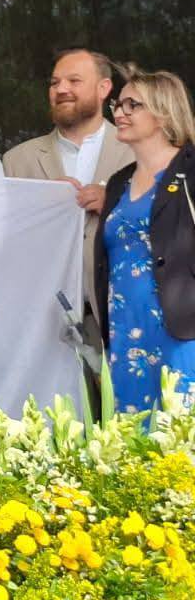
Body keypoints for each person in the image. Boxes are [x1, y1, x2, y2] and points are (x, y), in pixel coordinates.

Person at [5, 48, 134, 358]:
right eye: (54, 83)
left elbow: (170, 230)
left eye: (74, 81)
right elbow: (4, 245)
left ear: (104, 88)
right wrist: (40, 206)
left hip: (126, 320)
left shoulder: (138, 150)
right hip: (44, 328)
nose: (61, 89)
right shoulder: (16, 161)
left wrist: (115, 204)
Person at [95, 68, 195, 411]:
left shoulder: (191, 171)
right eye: (118, 105)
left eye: (132, 105)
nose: (119, 113)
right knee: (133, 433)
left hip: (181, 328)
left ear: (163, 112)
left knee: (180, 428)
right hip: (125, 329)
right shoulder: (118, 182)